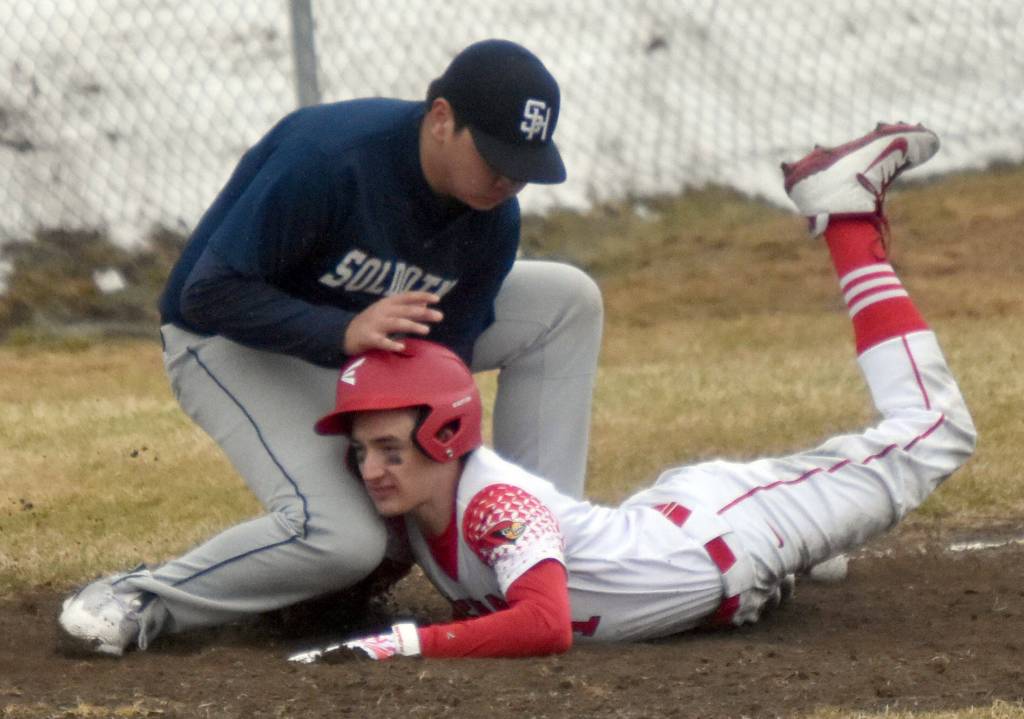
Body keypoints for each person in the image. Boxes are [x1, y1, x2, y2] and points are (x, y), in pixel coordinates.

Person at [287, 123, 977, 662]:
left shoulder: (494, 501)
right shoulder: (416, 505)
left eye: (386, 448)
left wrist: (406, 643)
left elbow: (546, 624)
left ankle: (849, 217)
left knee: (935, 430)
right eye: (362, 452)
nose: (370, 468)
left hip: (735, 530)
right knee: (783, 536)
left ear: (444, 434)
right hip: (688, 543)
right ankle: (808, 542)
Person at [57, 39, 603, 656]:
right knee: (345, 540)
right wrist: (339, 335)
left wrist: (418, 470)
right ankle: (144, 595)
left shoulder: (493, 217)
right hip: (230, 336)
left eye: (523, 165)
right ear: (442, 119)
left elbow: (443, 364)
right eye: (496, 157)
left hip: (368, 343)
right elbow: (206, 293)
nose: (509, 180)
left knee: (567, 301)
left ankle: (537, 554)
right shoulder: (331, 158)